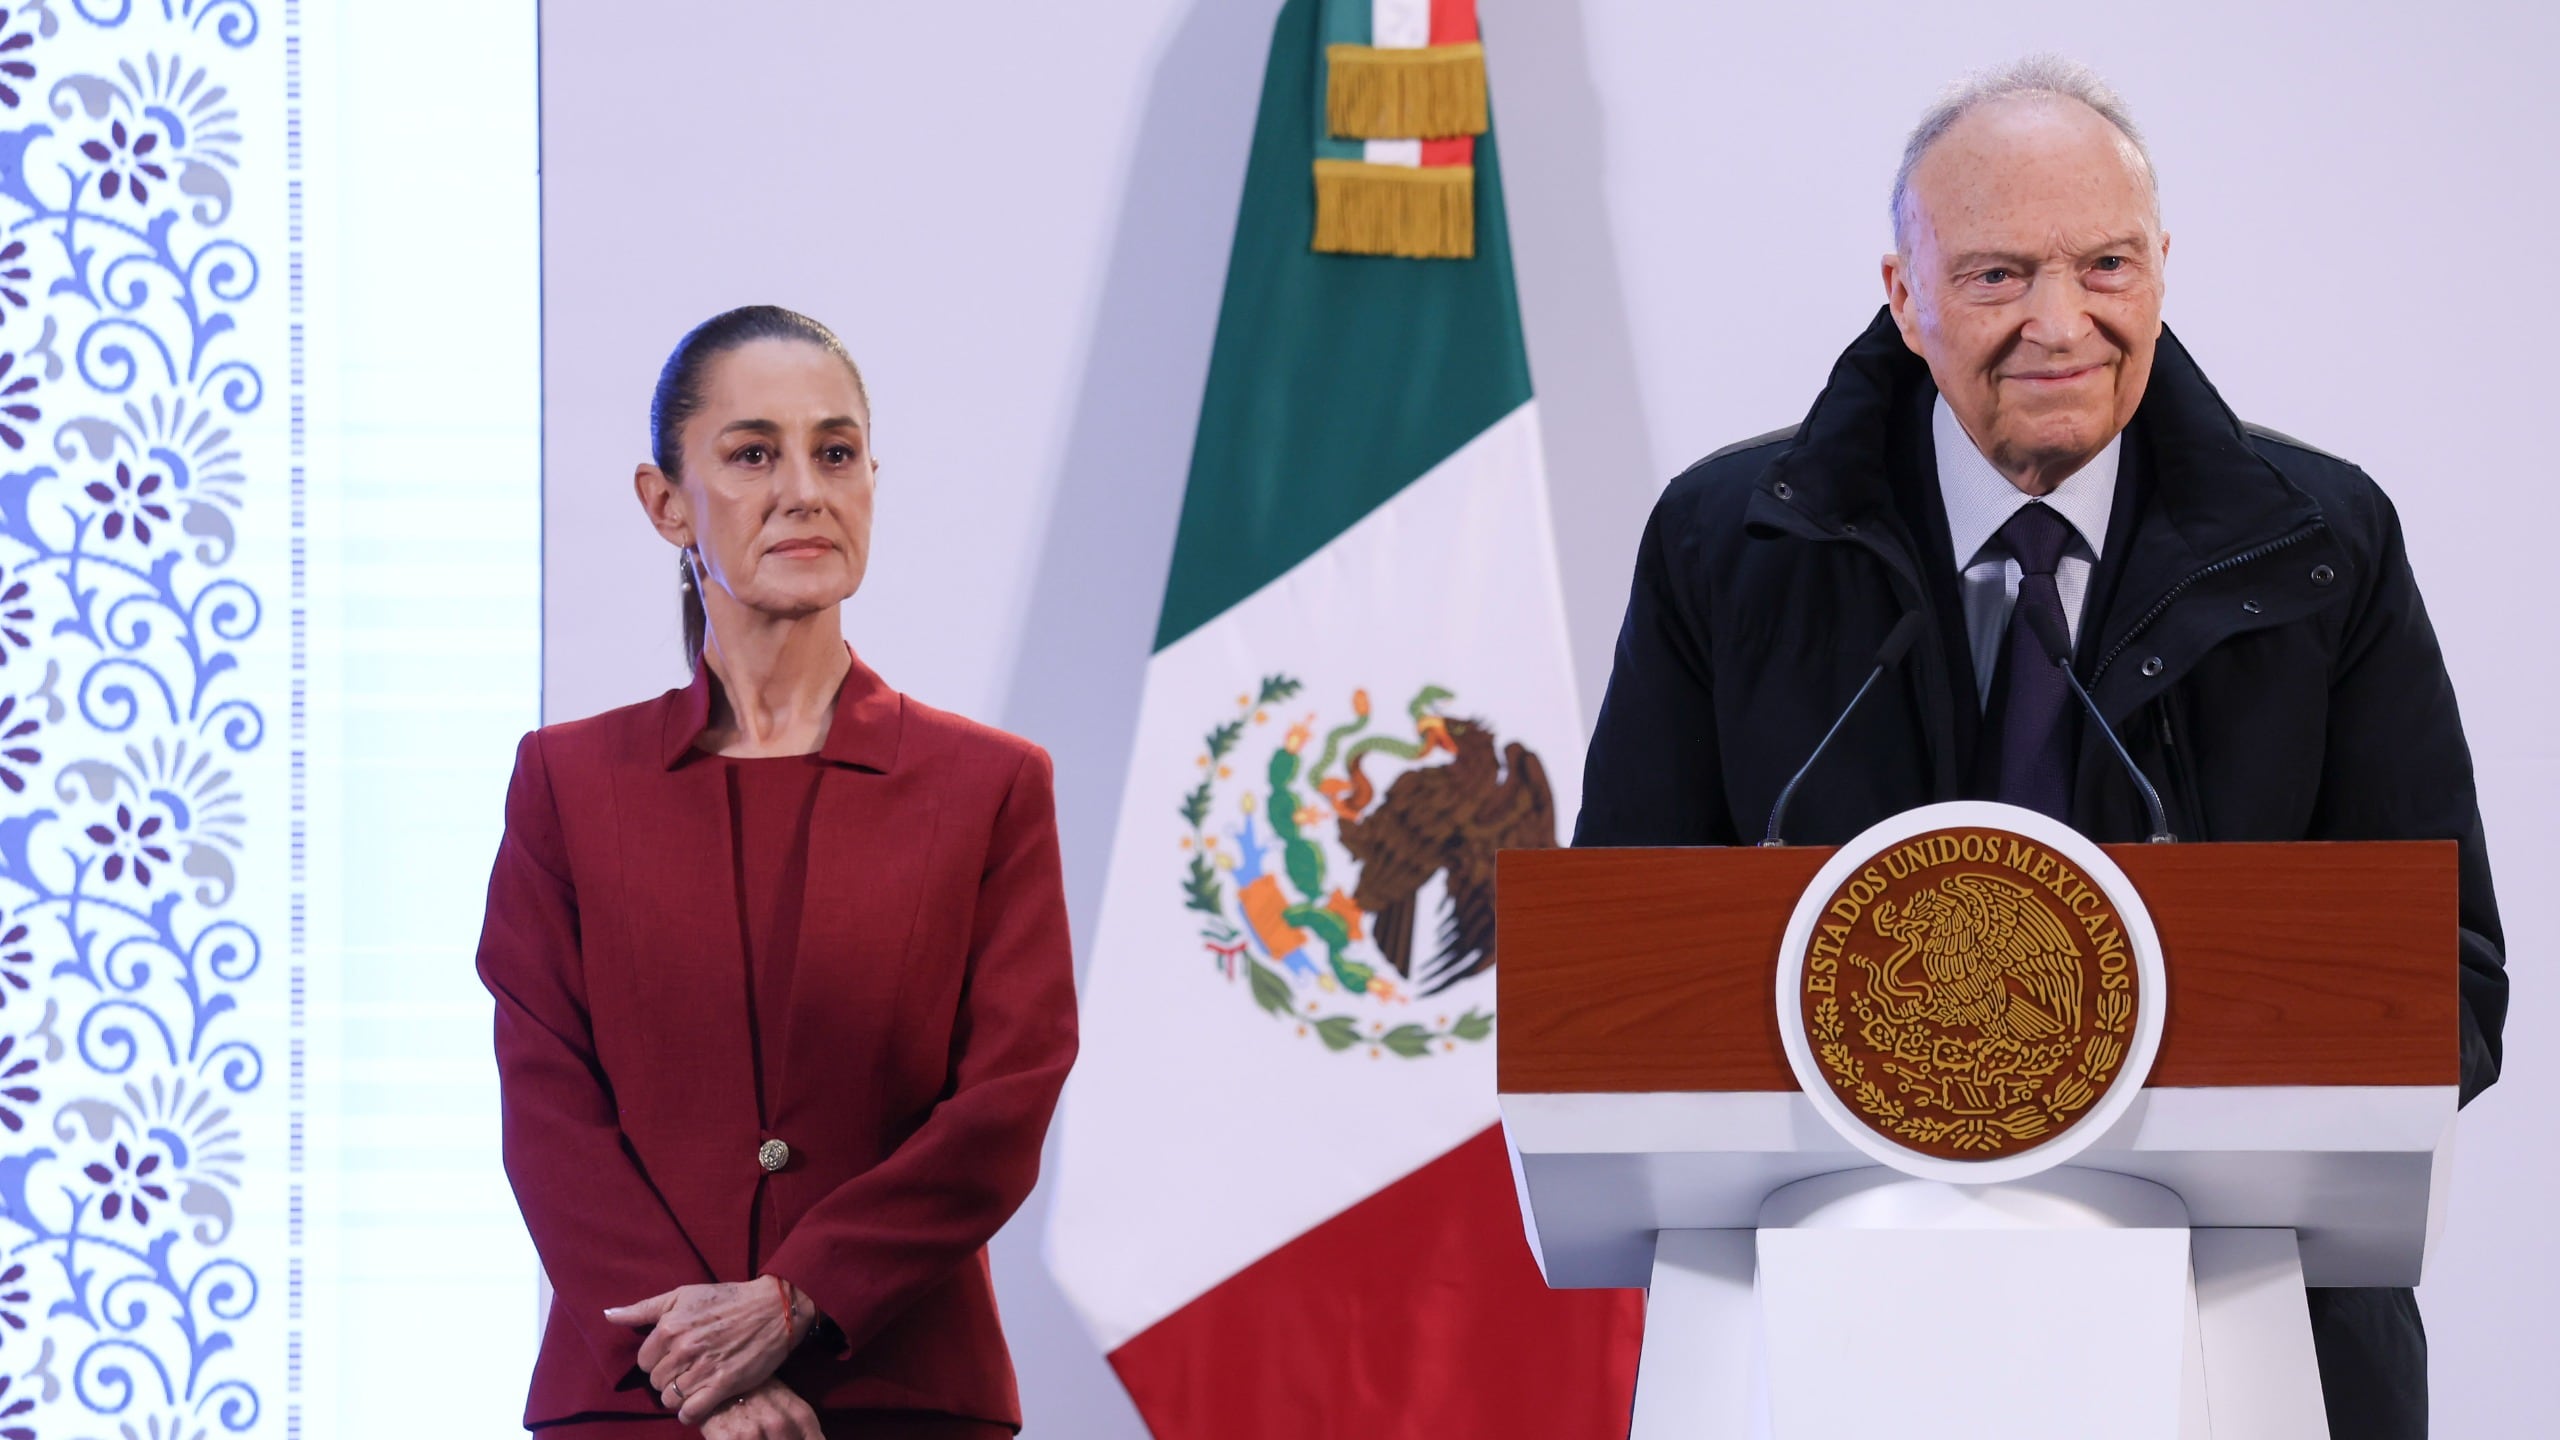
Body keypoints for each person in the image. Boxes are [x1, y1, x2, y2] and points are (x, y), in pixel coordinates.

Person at [1573, 57, 2505, 1440]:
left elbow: (2450, 991)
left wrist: (2113, 1091)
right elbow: (1615, 987)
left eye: (2105, 265)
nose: (2059, 324)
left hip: (2246, 1333)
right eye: (2000, 275)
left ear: (2163, 271)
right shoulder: (1734, 544)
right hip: (1837, 1333)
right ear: (1907, 294)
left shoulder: (2319, 546)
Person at [475, 306, 1078, 1439]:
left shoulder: (989, 785)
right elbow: (546, 1099)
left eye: (834, 453)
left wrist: (800, 1302)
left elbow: (1005, 1100)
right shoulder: (567, 780)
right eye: (753, 454)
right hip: (637, 1403)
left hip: (901, 1393)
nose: (804, 489)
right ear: (667, 504)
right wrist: (701, 1362)